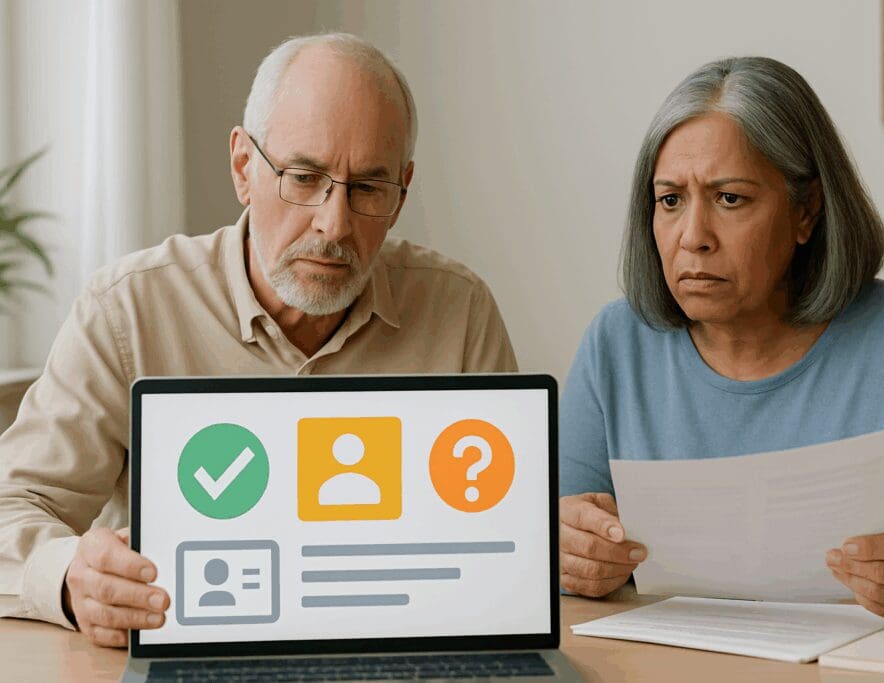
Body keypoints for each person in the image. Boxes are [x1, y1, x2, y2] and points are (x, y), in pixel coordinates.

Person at [0, 32, 517, 647]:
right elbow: (13, 504)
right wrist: (68, 577)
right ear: (244, 167)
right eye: (303, 177)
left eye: (369, 189)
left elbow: (507, 532)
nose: (334, 223)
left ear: (402, 192)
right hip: (189, 644)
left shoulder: (460, 311)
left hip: (400, 646)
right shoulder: (128, 310)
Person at [558, 56, 884, 621]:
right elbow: (552, 541)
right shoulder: (616, 342)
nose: (693, 237)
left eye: (730, 199)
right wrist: (567, 552)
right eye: (670, 200)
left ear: (806, 212)